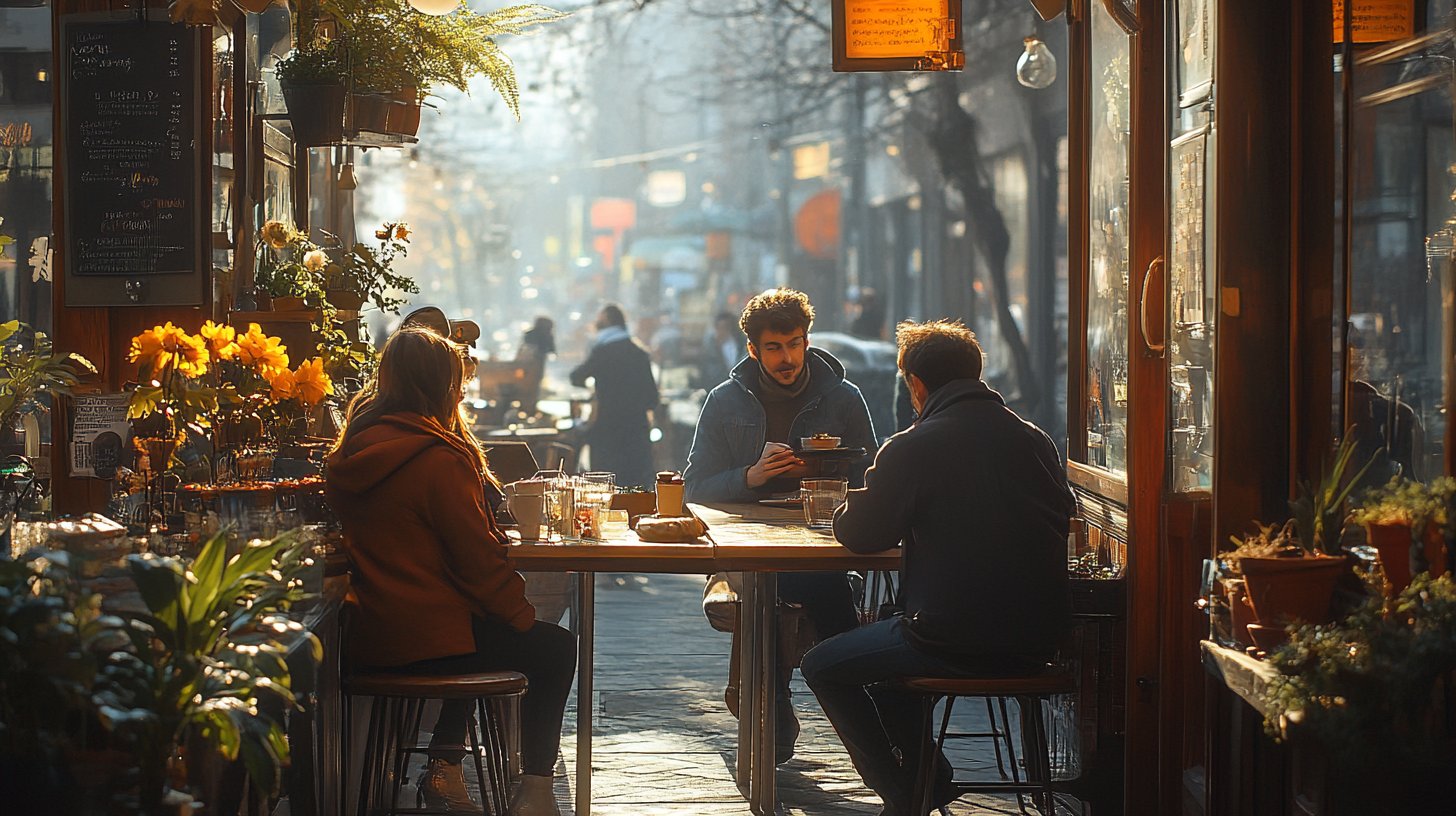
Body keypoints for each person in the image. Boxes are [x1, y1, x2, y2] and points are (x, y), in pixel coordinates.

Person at [800, 320, 1075, 816]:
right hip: (1039, 640)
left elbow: (859, 534)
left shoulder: (913, 445)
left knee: (822, 664)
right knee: (884, 653)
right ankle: (931, 777)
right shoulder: (1035, 441)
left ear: (916, 384)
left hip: (948, 638)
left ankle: (904, 793)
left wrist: (846, 503)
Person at [326, 328, 576, 816]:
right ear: (441, 386)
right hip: (433, 644)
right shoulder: (439, 458)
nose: (463, 391)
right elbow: (477, 562)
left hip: (371, 638)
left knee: (481, 623)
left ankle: (445, 766)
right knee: (554, 646)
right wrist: (520, 614)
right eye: (458, 381)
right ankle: (537, 792)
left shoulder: (352, 451)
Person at [683, 287, 877, 760]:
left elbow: (875, 474)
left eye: (794, 343)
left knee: (832, 615)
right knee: (765, 598)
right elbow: (694, 489)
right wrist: (750, 477)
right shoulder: (725, 401)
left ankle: (870, 745)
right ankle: (781, 720)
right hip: (749, 552)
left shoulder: (844, 397)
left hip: (825, 545)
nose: (787, 357)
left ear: (807, 340)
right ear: (753, 349)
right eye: (774, 347)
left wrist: (824, 473)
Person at [570, 303, 660, 487]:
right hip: (636, 435)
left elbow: (576, 377)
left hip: (607, 435)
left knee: (607, 492)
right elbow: (652, 398)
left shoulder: (602, 352)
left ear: (607, 321)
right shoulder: (639, 353)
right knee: (637, 492)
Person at [516, 316, 556, 413]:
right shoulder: (547, 336)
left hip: (525, 365)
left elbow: (523, 349)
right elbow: (552, 350)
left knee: (523, 386)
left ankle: (523, 407)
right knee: (534, 387)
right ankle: (530, 408)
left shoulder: (529, 334)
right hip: (538, 365)